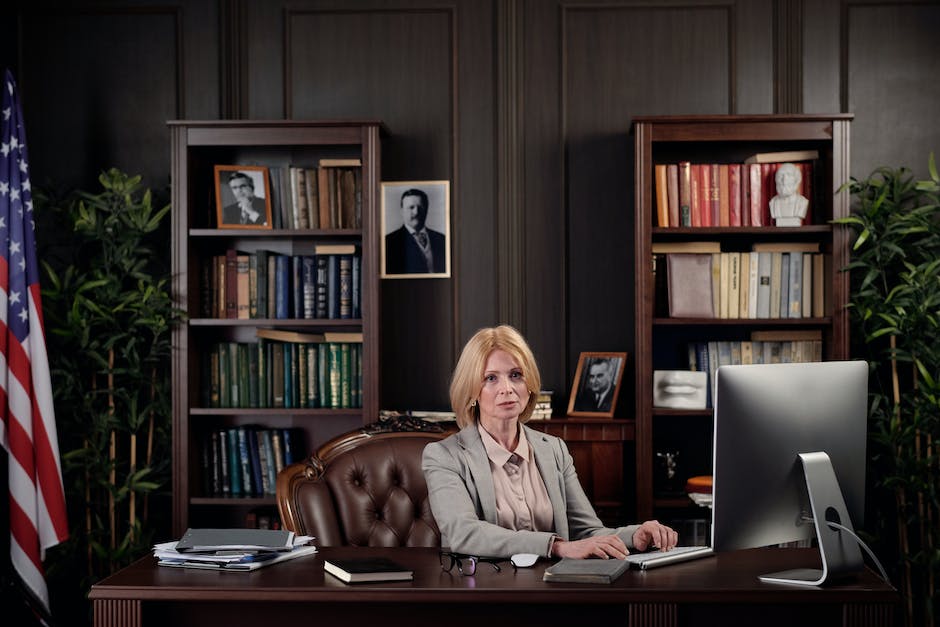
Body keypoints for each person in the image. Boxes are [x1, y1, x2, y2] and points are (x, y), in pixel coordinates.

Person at [422, 325, 678, 559]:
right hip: (485, 590)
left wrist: (636, 536)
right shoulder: (444, 456)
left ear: (529, 384)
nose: (507, 388)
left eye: (515, 375)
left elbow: (587, 531)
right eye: (491, 378)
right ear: (471, 391)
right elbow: (464, 534)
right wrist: (556, 546)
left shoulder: (553, 449)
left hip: (554, 586)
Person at [385, 188, 446, 274]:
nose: (416, 212)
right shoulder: (389, 242)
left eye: (420, 207)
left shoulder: (442, 239)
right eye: (411, 207)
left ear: (426, 209)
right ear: (402, 211)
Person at [769, 162, 809, 227]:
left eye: (789, 175)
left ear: (797, 180)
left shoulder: (803, 202)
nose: (784, 180)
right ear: (776, 180)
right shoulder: (773, 203)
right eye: (781, 175)